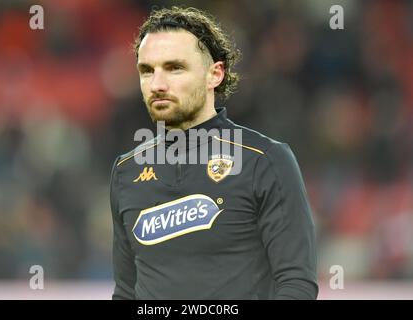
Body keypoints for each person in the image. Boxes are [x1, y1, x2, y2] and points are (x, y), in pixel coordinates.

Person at [110, 6, 318, 300]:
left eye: (174, 68)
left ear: (215, 75)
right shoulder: (126, 172)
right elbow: (126, 292)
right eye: (147, 71)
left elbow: (297, 285)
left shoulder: (265, 161)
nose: (157, 84)